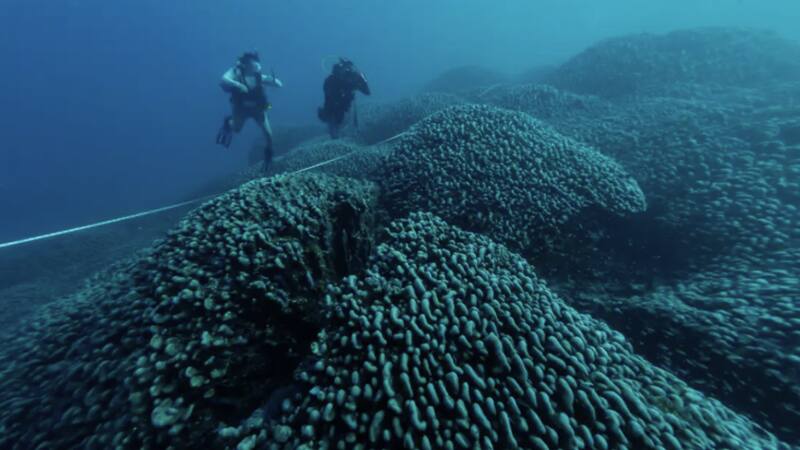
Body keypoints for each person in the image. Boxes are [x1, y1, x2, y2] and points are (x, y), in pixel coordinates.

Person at [216, 51, 283, 171]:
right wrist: (237, 84)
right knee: (236, 129)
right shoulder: (236, 74)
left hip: (258, 109)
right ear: (246, 64)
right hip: (241, 109)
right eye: (254, 61)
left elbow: (279, 84)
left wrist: (275, 82)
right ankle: (228, 122)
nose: (257, 64)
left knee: (268, 134)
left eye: (257, 61)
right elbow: (224, 79)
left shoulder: (259, 76)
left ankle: (269, 155)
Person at [318, 58, 370, 138]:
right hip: (332, 109)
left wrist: (363, 80)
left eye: (348, 68)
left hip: (346, 108)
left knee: (345, 125)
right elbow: (331, 96)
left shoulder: (350, 78)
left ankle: (344, 136)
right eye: (344, 68)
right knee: (335, 126)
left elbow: (367, 92)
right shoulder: (331, 80)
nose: (346, 71)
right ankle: (334, 136)